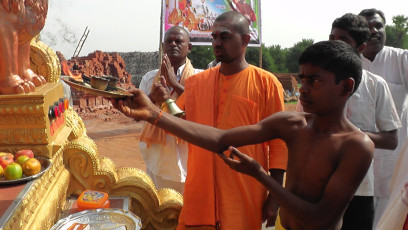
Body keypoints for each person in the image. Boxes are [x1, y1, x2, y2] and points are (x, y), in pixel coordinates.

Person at [111, 40, 374, 230]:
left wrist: (261, 176)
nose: (303, 89)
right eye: (302, 79)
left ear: (346, 86)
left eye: (314, 81)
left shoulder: (356, 145)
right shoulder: (292, 124)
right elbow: (220, 139)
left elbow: (320, 218)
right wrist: (152, 114)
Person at [125, 11, 288, 230]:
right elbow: (180, 124)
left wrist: (275, 197)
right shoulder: (197, 83)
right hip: (200, 188)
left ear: (245, 40)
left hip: (243, 190)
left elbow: (279, 145)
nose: (217, 42)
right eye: (214, 37)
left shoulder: (267, 84)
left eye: (224, 36)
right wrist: (162, 102)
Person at [296, 13, 401, 229]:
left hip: (359, 189)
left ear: (361, 48)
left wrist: (348, 135)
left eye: (342, 41)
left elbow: (391, 140)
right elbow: (300, 124)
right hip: (315, 184)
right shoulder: (314, 81)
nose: (333, 45)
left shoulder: (376, 85)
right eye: (331, 39)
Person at [358, 9, 408, 226]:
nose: (375, 31)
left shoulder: (401, 59)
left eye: (379, 26)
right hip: (356, 160)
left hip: (393, 161)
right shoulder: (347, 62)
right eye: (369, 27)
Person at [138, 26, 202, 194]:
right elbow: (138, 115)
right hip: (158, 158)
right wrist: (153, 98)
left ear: (189, 47)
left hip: (189, 157)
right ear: (163, 45)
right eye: (169, 41)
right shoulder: (150, 78)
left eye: (179, 41)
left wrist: (174, 84)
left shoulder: (201, 76)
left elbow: (202, 108)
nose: (173, 44)